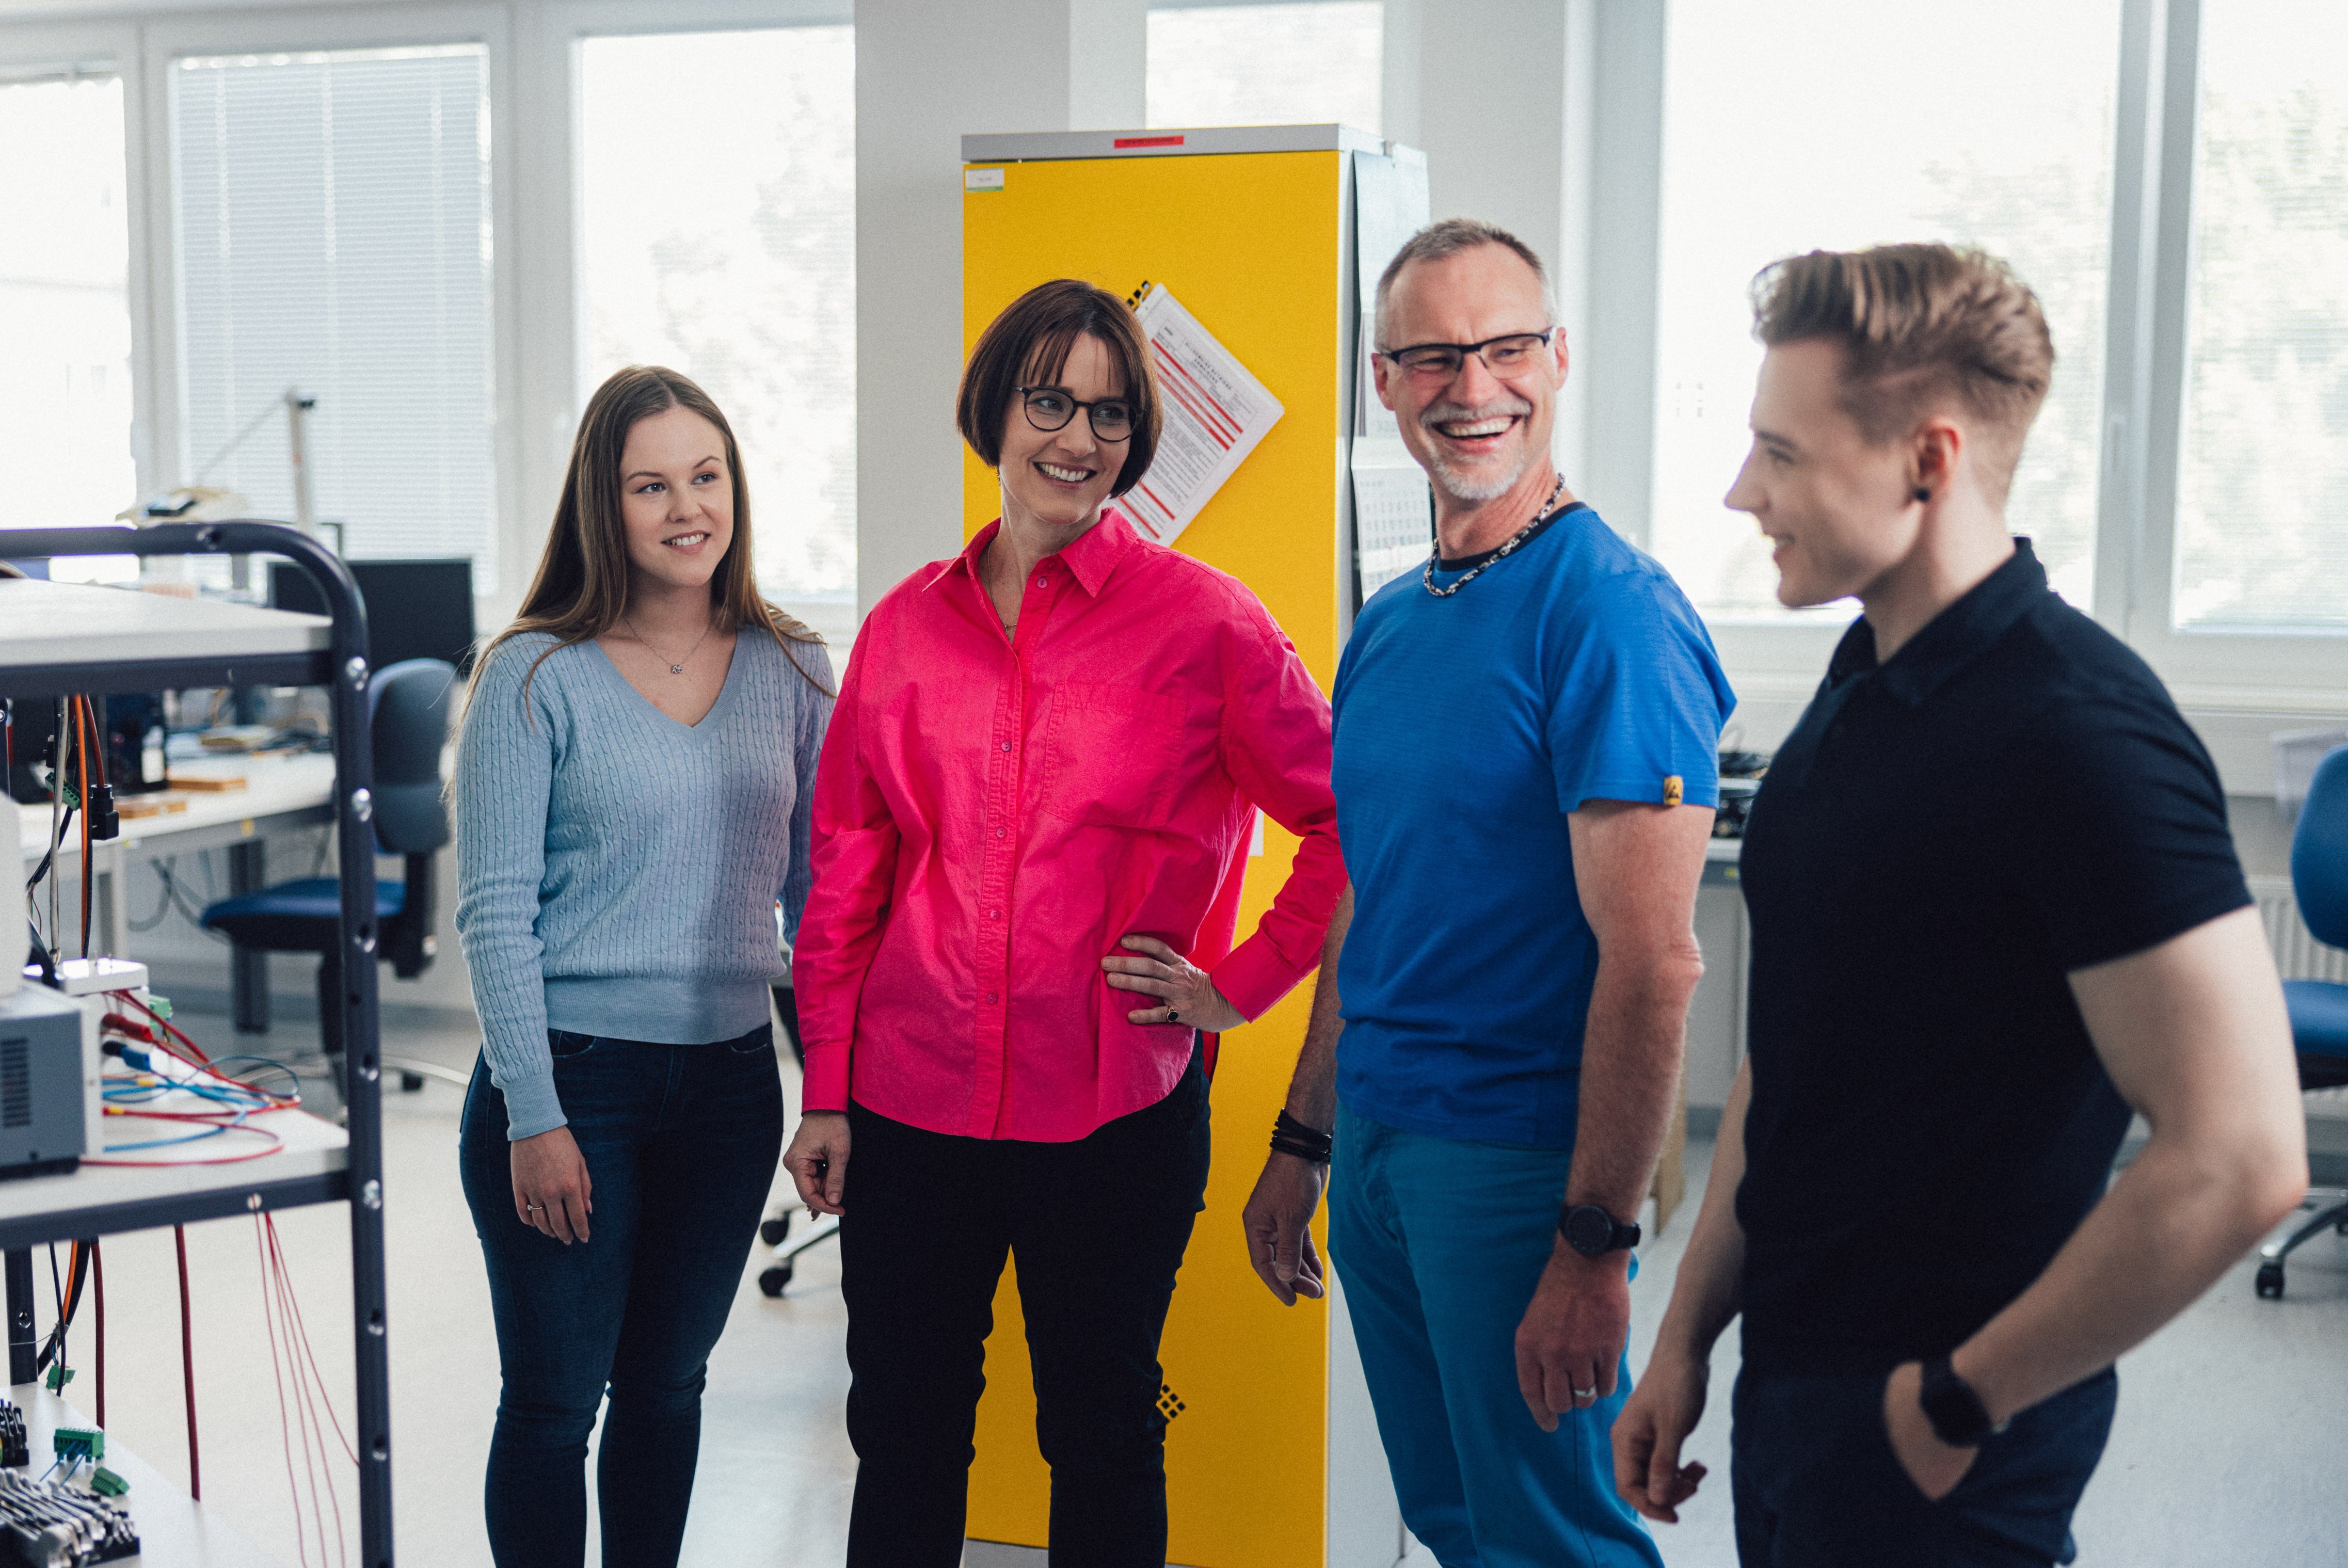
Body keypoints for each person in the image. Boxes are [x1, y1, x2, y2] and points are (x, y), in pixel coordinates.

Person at [1610, 244, 2311, 1566]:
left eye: (1783, 454)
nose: (1741, 491)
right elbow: (1793, 1052)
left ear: (1926, 462)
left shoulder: (2080, 732)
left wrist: (1954, 1400)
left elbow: (2242, 1153)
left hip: (1945, 1443)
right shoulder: (1862, 677)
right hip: (1795, 1389)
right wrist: (1687, 1334)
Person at [784, 277, 1345, 1567]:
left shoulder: (1208, 625)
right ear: (995, 409)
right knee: (906, 1428)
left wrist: (1241, 981)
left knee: (1099, 1432)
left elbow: (1348, 818)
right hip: (910, 1104)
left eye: (1107, 413)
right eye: (1050, 400)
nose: (1076, 439)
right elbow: (847, 877)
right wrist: (825, 1087)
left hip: (1113, 1118)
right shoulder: (905, 629)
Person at [1241, 218, 1732, 1567]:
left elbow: (1652, 966)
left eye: (1506, 346)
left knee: (1552, 1539)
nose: (1474, 386)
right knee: (1456, 1519)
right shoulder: (1392, 620)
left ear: (1557, 357)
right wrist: (1303, 1136)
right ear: (1384, 381)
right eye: (1433, 355)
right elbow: (1367, 899)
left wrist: (1591, 1241)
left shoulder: (1607, 610)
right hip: (1386, 1144)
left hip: (1519, 1163)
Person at [452, 365, 833, 1568]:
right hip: (572, 1084)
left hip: (727, 1083)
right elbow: (494, 911)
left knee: (669, 1388)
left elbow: (818, 900)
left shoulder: (796, 665)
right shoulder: (533, 671)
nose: (688, 506)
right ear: (602, 506)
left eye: (706, 475)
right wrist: (535, 1113)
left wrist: (828, 1088)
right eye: (650, 483)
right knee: (557, 1403)